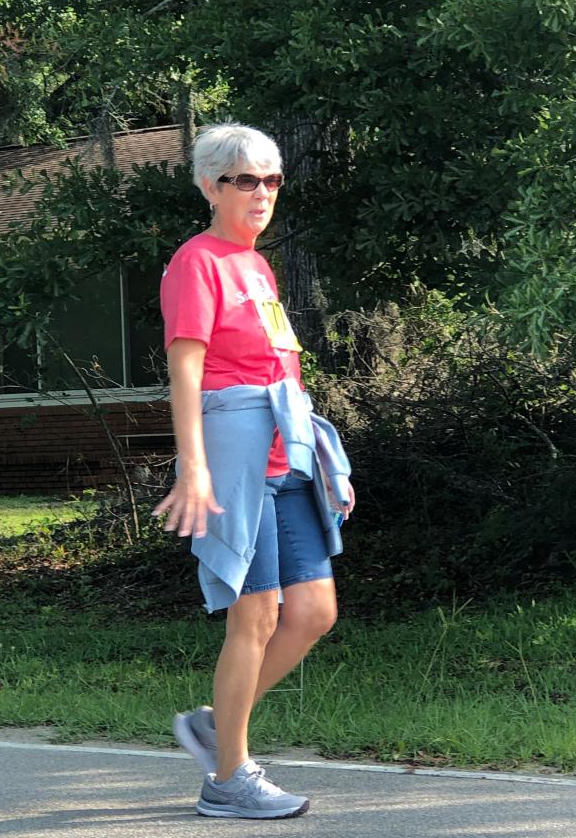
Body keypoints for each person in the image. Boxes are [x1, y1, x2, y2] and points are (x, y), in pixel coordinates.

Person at [153, 122, 354, 820]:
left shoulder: (257, 266)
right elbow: (186, 370)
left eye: (272, 180)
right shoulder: (197, 262)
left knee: (314, 611)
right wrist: (194, 468)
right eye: (246, 181)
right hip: (236, 457)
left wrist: (321, 456)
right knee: (257, 614)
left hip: (285, 452)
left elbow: (277, 365)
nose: (262, 192)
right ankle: (228, 779)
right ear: (212, 187)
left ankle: (217, 725)